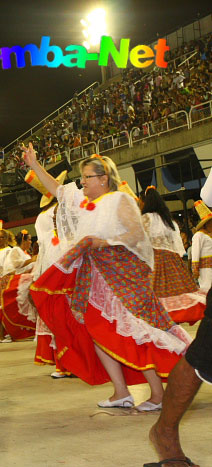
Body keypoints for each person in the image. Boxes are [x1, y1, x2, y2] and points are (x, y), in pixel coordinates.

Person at [24, 145, 191, 411]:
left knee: (135, 331)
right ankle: (121, 392)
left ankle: (158, 394)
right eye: (82, 178)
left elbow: (136, 236)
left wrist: (104, 241)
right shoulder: (86, 204)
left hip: (121, 279)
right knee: (98, 332)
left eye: (87, 177)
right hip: (97, 281)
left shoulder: (118, 200)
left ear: (103, 178)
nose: (82, 182)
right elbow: (58, 189)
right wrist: (34, 165)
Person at [147, 180, 212, 467]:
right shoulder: (169, 221)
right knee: (204, 351)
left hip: (158, 264)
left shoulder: (147, 219)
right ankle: (165, 431)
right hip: (170, 263)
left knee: (161, 316)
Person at [25, 169, 71, 378]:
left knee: (62, 316)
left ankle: (65, 362)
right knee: (63, 316)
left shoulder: (49, 213)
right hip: (59, 261)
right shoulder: (51, 214)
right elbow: (45, 245)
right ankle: (66, 362)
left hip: (58, 261)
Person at [140, 187, 205, 325]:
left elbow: (141, 242)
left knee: (155, 297)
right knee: (176, 295)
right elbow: (179, 248)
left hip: (154, 260)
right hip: (172, 260)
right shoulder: (169, 220)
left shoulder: (145, 218)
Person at [191, 200, 212, 292]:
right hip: (205, 269)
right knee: (207, 289)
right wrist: (195, 269)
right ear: (206, 223)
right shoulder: (198, 235)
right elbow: (195, 253)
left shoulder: (209, 235)